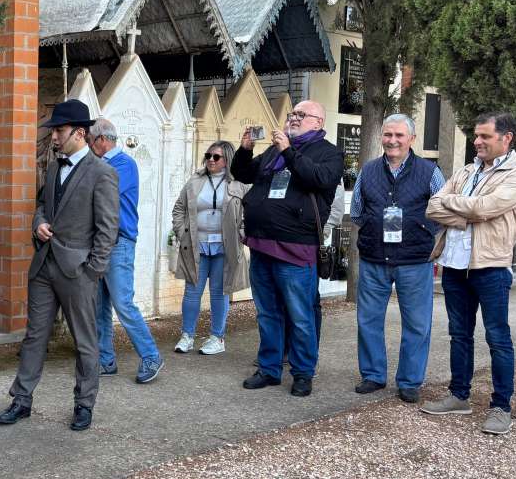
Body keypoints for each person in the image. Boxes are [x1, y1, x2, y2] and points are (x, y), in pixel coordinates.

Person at [0, 99, 119, 431]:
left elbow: (109, 229)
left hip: (78, 271)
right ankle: (21, 400)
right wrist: (38, 223)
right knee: (35, 336)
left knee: (84, 341)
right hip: (44, 265)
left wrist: (92, 270)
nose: (53, 137)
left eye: (59, 131)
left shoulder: (103, 173)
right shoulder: (53, 168)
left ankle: (84, 404)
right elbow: (41, 205)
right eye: (53, 131)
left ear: (79, 133)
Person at [422, 111, 516, 435]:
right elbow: (433, 206)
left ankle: (501, 407)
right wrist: (466, 212)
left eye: (485, 136)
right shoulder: (468, 170)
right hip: (454, 266)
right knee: (459, 335)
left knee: (498, 339)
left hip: (491, 268)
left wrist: (457, 207)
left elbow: (488, 208)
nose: (478, 141)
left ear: (506, 138)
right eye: (476, 135)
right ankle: (459, 395)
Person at [231, 100, 343, 397]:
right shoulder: (273, 150)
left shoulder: (329, 153)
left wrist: (287, 151)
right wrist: (244, 150)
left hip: (295, 248)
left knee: (300, 313)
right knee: (267, 313)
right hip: (262, 243)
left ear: (318, 122)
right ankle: (269, 369)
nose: (293, 118)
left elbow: (317, 178)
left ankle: (303, 372)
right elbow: (244, 174)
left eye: (300, 115)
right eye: (292, 114)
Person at [351, 114, 446, 403]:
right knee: (368, 319)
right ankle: (372, 375)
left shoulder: (430, 172)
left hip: (415, 260)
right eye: (388, 134)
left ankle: (409, 381)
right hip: (373, 258)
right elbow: (356, 211)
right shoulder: (367, 171)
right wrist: (372, 225)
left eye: (399, 135)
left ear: (412, 139)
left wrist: (422, 230)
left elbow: (443, 211)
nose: (392, 140)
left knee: (417, 323)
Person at [87, 118, 164, 383]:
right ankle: (106, 360)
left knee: (123, 303)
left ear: (101, 140)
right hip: (101, 243)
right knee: (100, 306)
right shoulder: (104, 164)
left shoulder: (123, 164)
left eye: (90, 140)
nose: (88, 146)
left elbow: (99, 195)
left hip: (118, 242)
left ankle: (151, 355)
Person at [171, 141, 249, 356]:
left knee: (219, 292)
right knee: (192, 292)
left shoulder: (238, 183)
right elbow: (179, 208)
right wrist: (181, 232)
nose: (211, 160)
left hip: (225, 247)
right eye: (208, 155)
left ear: (227, 160)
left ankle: (217, 337)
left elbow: (249, 211)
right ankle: (187, 335)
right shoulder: (195, 181)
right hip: (196, 245)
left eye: (216, 157)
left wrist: (242, 232)